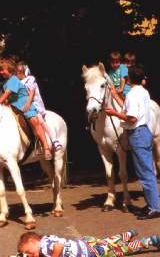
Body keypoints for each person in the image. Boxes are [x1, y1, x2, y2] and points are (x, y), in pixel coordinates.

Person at [105, 65, 160, 220]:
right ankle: (152, 203)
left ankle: (155, 208)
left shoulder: (132, 95)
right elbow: (128, 108)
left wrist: (114, 113)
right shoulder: (143, 92)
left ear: (128, 79)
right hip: (144, 132)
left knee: (145, 173)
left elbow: (132, 118)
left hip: (137, 133)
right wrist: (115, 94)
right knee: (146, 170)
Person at [0, 58, 52, 160]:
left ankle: (46, 147)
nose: (1, 72)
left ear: (10, 69)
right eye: (0, 70)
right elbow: (10, 97)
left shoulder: (14, 80)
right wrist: (5, 103)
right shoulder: (6, 83)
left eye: (2, 69)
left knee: (35, 121)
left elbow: (7, 93)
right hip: (14, 106)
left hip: (24, 104)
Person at [16, 61, 63, 152]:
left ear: (22, 72)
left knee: (40, 120)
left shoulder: (30, 79)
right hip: (23, 106)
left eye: (18, 72)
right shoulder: (18, 82)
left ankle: (54, 140)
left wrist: (27, 104)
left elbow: (31, 94)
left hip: (34, 105)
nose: (17, 74)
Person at [16, 230, 160, 257]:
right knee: (107, 242)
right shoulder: (47, 239)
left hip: (91, 251)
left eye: (28, 252)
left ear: (33, 241)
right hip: (85, 243)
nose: (29, 255)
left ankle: (147, 241)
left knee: (117, 251)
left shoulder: (45, 246)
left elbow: (58, 247)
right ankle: (128, 233)